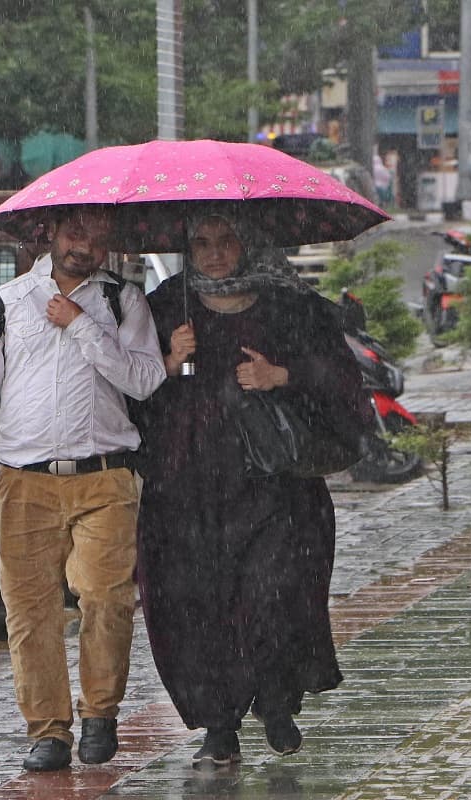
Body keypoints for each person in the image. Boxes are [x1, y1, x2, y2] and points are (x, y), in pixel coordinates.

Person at [133, 211, 370, 769]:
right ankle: (219, 724)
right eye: (202, 243)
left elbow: (341, 380)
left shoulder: (292, 305)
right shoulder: (165, 308)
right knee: (199, 604)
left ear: (250, 243)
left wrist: (280, 376)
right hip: (188, 489)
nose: (215, 254)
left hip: (276, 490)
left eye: (227, 241)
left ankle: (277, 700)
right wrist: (169, 362)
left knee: (272, 594)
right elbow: (129, 390)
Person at [0, 206, 166, 772]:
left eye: (95, 237)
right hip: (25, 482)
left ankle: (100, 713)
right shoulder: (6, 303)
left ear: (108, 245)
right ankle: (47, 730)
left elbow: (145, 378)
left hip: (107, 476)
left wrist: (82, 325)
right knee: (29, 611)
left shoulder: (124, 301)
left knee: (107, 599)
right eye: (74, 232)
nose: (83, 246)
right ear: (50, 234)